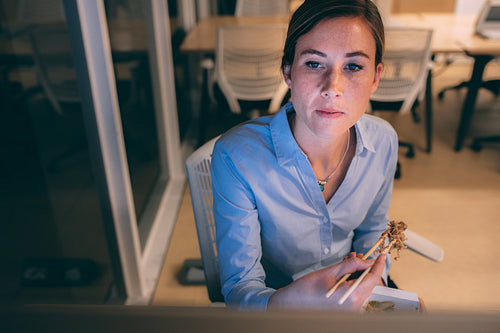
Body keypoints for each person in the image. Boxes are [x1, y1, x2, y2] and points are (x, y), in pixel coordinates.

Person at [211, 0, 397, 311]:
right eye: (313, 63)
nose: (332, 87)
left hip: (350, 295)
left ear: (375, 77)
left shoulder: (385, 141)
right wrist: (289, 300)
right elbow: (240, 289)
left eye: (353, 66)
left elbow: (372, 233)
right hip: (277, 305)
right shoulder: (236, 157)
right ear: (288, 72)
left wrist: (377, 294)